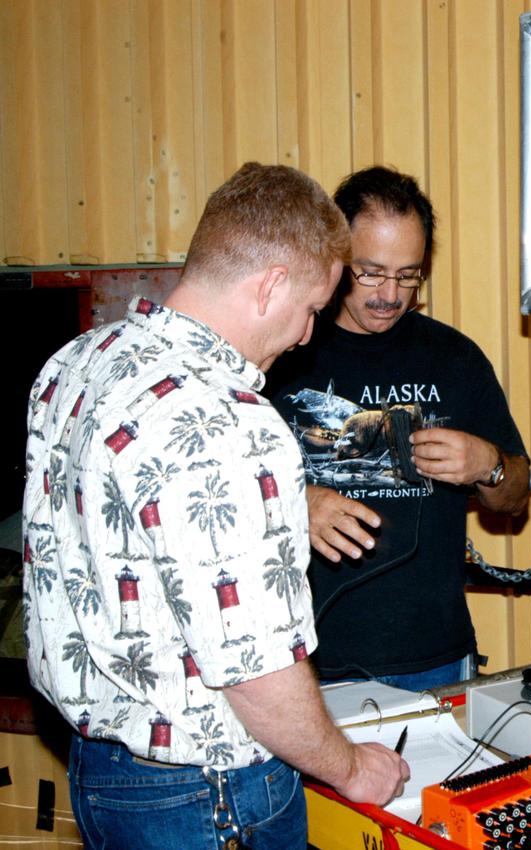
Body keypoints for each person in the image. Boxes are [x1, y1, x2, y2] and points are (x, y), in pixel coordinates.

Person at [23, 162, 410, 850]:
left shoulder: (77, 362)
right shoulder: (230, 423)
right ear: (269, 286)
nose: (304, 337)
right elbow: (254, 668)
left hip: (102, 771)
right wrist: (351, 769)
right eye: (310, 311)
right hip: (210, 795)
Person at [267, 166, 530, 690]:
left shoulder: (456, 358)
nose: (390, 293)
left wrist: (489, 465)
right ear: (336, 257)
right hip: (304, 664)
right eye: (370, 272)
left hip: (435, 657)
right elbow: (212, 494)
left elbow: (516, 498)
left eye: (409, 276)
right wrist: (295, 503)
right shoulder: (284, 354)